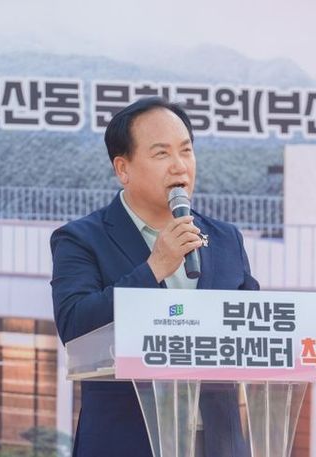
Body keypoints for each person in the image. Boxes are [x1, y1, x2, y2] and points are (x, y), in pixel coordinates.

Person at [50, 97, 259, 456]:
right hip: (126, 444)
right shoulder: (81, 239)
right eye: (162, 153)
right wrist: (154, 268)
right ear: (123, 168)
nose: (180, 166)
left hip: (216, 445)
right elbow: (75, 327)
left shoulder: (226, 239)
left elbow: (253, 331)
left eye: (186, 151)